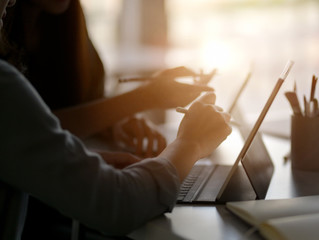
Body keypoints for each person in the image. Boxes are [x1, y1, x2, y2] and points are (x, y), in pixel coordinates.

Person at [0, 1, 232, 239]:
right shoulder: (5, 82)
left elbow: (29, 138)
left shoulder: (67, 26)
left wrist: (98, 141)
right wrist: (190, 144)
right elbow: (117, 204)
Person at [2, 0, 215, 158]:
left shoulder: (65, 20)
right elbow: (31, 133)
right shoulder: (5, 36)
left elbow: (83, 99)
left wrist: (112, 123)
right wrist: (144, 97)